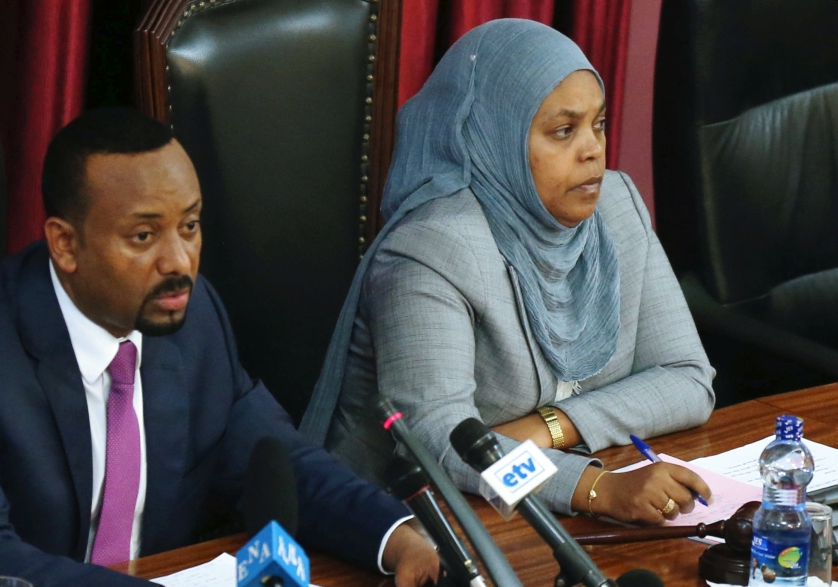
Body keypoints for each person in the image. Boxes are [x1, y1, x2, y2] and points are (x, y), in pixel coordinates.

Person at [0, 108, 440, 587]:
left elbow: (276, 460)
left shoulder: (190, 314)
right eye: (143, 237)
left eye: (191, 225)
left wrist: (403, 543)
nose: (180, 261)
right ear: (65, 244)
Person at [301, 20, 716, 526]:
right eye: (563, 131)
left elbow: (688, 380)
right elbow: (438, 442)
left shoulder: (616, 209)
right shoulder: (431, 249)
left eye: (598, 124)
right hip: (403, 533)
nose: (592, 150)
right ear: (495, 138)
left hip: (527, 515)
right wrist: (594, 487)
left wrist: (549, 428)